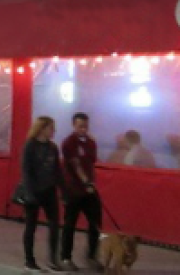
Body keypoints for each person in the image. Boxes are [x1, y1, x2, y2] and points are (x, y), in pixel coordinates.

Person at [60, 112, 103, 272]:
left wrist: (91, 184)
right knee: (69, 224)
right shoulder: (68, 143)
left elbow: (90, 164)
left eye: (85, 126)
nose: (83, 129)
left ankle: (92, 256)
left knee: (95, 223)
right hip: (73, 190)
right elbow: (76, 165)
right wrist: (86, 181)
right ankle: (66, 257)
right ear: (74, 125)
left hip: (89, 191)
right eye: (80, 126)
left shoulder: (91, 143)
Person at [20, 116, 64, 272]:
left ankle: (53, 259)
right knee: (31, 227)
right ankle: (29, 260)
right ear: (42, 128)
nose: (53, 131)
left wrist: (63, 190)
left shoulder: (52, 147)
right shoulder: (30, 146)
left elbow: (57, 170)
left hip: (49, 191)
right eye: (51, 128)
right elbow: (26, 171)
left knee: (55, 225)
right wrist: (29, 193)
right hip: (34, 191)